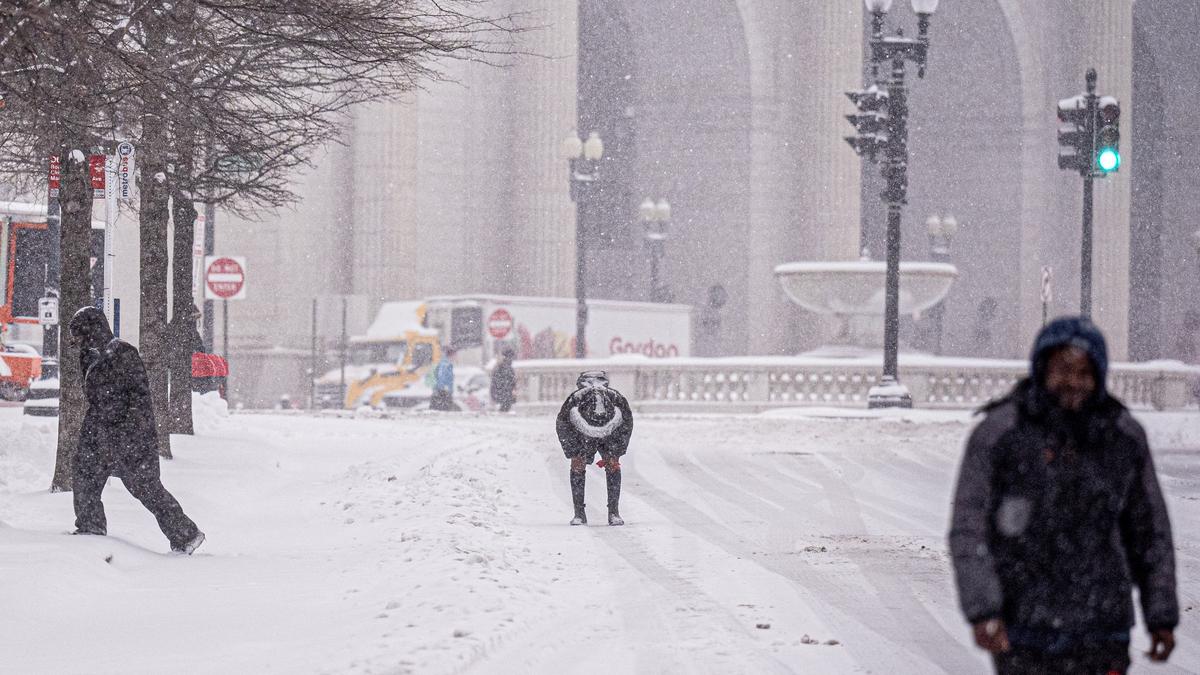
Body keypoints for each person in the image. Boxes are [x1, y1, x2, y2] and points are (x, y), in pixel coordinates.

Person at [949, 316, 1177, 674]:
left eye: (1084, 372)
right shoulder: (1001, 435)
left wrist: (1161, 613)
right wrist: (984, 609)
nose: (1073, 382)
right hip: (1024, 627)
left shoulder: (1122, 437)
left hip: (1102, 628)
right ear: (1041, 369)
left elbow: (1149, 532)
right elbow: (969, 529)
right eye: (1062, 369)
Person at [67, 307, 205, 555]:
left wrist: (130, 431)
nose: (75, 341)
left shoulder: (124, 353)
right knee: (85, 474)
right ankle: (91, 528)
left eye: (78, 335)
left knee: (144, 486)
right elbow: (95, 394)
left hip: (130, 432)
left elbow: (139, 397)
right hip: (99, 429)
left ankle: (186, 534)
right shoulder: (87, 356)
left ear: (91, 331)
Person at [555, 370, 633, 526]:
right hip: (585, 435)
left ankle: (598, 513)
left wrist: (616, 449)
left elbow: (626, 422)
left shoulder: (578, 399)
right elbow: (563, 424)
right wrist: (574, 450)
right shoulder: (613, 398)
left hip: (606, 434)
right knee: (610, 465)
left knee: (593, 465)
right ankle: (603, 513)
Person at [489, 346, 517, 413]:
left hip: (503, 396)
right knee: (504, 411)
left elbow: (495, 382)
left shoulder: (501, 367)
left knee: (503, 411)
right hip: (504, 396)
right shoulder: (506, 368)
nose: (511, 359)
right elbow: (510, 383)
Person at [429, 347, 456, 411]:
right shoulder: (445, 364)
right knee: (443, 411)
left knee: (440, 411)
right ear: (451, 355)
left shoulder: (445, 363)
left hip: (441, 391)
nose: (456, 357)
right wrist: (445, 389)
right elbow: (441, 377)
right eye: (455, 355)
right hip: (443, 392)